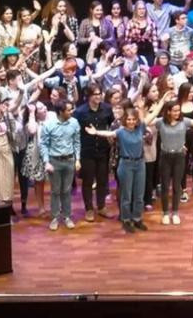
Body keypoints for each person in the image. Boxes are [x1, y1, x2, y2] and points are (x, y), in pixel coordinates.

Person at [84, 93, 168, 233]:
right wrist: (96, 132)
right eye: (128, 119)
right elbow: (109, 134)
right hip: (126, 165)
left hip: (140, 164)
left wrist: (163, 100)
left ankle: (137, 218)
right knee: (126, 195)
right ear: (125, 120)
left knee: (139, 195)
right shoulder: (121, 131)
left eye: (133, 119)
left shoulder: (140, 128)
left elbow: (153, 115)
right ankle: (126, 219)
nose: (131, 122)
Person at [153, 99, 193, 225]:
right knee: (165, 186)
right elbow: (146, 121)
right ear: (168, 111)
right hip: (165, 156)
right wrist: (161, 102)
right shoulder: (161, 122)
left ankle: (175, 213)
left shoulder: (184, 121)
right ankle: (165, 213)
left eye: (178, 110)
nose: (177, 113)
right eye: (174, 111)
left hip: (179, 157)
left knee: (177, 186)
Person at [73, 86, 114, 222]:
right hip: (87, 151)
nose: (98, 96)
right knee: (88, 181)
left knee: (102, 180)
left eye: (99, 93)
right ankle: (89, 208)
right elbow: (75, 131)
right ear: (89, 96)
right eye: (95, 94)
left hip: (103, 150)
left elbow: (111, 124)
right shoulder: (80, 112)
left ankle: (101, 206)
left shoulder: (107, 109)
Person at [39, 100, 81, 231]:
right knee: (55, 191)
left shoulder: (74, 123)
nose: (71, 112)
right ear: (61, 112)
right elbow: (44, 145)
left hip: (69, 160)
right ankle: (55, 217)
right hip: (55, 161)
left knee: (67, 190)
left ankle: (67, 216)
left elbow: (76, 142)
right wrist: (46, 162)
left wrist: (77, 159)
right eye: (68, 110)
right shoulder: (48, 125)